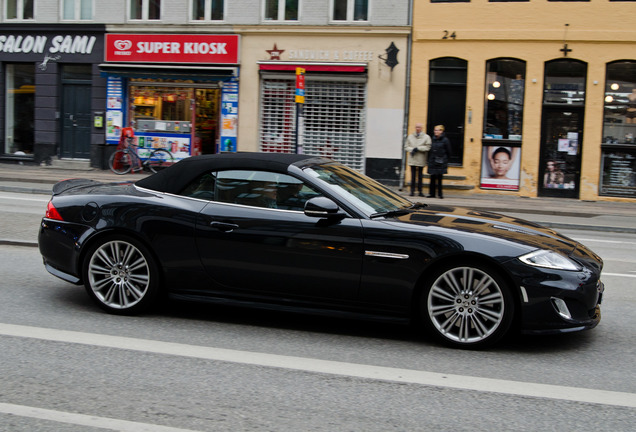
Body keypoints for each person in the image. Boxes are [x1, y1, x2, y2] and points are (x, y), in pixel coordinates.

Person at [404, 123, 432, 196]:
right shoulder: (410, 136)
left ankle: (420, 191)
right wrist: (412, 149)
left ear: (421, 128)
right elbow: (406, 146)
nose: (417, 128)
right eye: (416, 127)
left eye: (419, 127)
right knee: (413, 176)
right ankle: (412, 191)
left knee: (420, 176)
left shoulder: (426, 137)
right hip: (412, 158)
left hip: (421, 158)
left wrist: (418, 148)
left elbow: (428, 147)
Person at [427, 125, 452, 199]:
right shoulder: (433, 139)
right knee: (432, 177)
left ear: (441, 131)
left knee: (439, 178)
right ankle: (432, 194)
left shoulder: (445, 140)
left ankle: (440, 194)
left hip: (441, 161)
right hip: (433, 160)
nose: (436, 132)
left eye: (438, 130)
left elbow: (449, 151)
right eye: (435, 130)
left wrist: (445, 160)